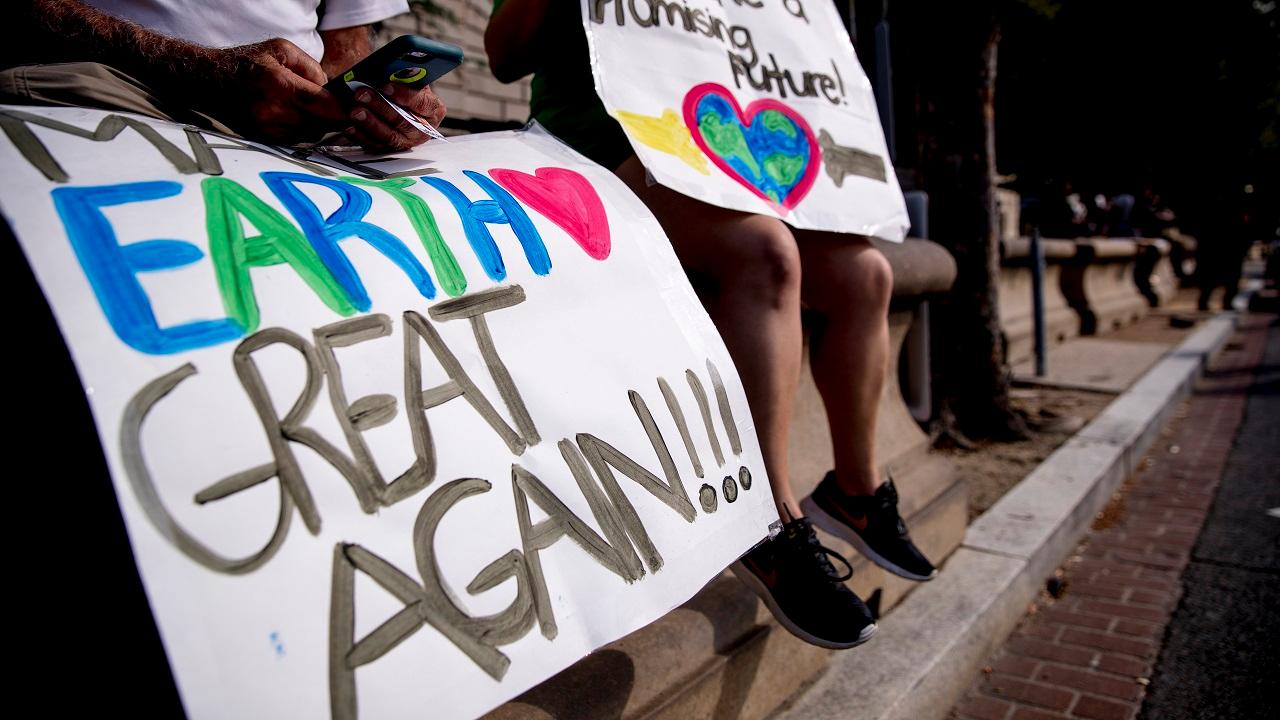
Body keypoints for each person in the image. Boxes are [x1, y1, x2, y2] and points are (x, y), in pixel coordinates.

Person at [485, 0, 936, 650]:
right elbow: (503, 55)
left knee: (868, 278)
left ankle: (855, 492)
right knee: (767, 254)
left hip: (726, 158)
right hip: (608, 151)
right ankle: (767, 521)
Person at [3, 0, 446, 151]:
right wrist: (199, 70)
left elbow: (346, 46)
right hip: (116, 86)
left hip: (292, 135)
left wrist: (369, 104)